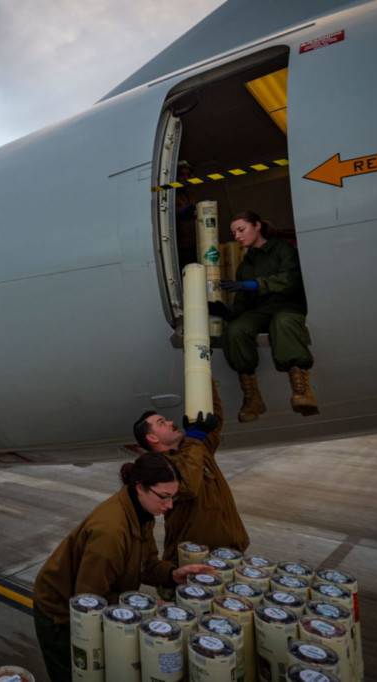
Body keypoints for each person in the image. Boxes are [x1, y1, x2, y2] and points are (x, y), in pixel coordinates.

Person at [32, 452, 215, 682]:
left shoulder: (142, 512)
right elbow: (88, 600)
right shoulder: (110, 532)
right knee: (77, 672)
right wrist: (144, 607)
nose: (169, 506)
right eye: (164, 497)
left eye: (173, 498)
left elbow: (145, 563)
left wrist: (171, 574)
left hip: (91, 598)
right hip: (60, 613)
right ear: (140, 487)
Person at [212, 210, 318, 421]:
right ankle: (252, 397)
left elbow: (290, 281)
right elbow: (243, 303)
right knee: (235, 330)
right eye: (234, 234)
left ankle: (301, 391)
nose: (237, 237)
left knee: (284, 322)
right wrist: (227, 311)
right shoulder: (245, 266)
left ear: (257, 226)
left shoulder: (283, 250)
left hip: (288, 305)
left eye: (241, 230)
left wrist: (254, 285)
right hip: (260, 310)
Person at [132, 382, 249, 565]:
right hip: (190, 563)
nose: (171, 422)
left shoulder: (196, 448)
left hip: (229, 555)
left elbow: (213, 420)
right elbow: (188, 487)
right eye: (162, 423)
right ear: (152, 438)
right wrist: (194, 440)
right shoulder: (157, 466)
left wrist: (205, 378)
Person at [175, 160, 198, 263]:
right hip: (182, 248)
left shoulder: (191, 194)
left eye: (188, 175)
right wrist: (182, 212)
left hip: (195, 244)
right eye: (181, 175)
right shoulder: (171, 195)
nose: (185, 178)